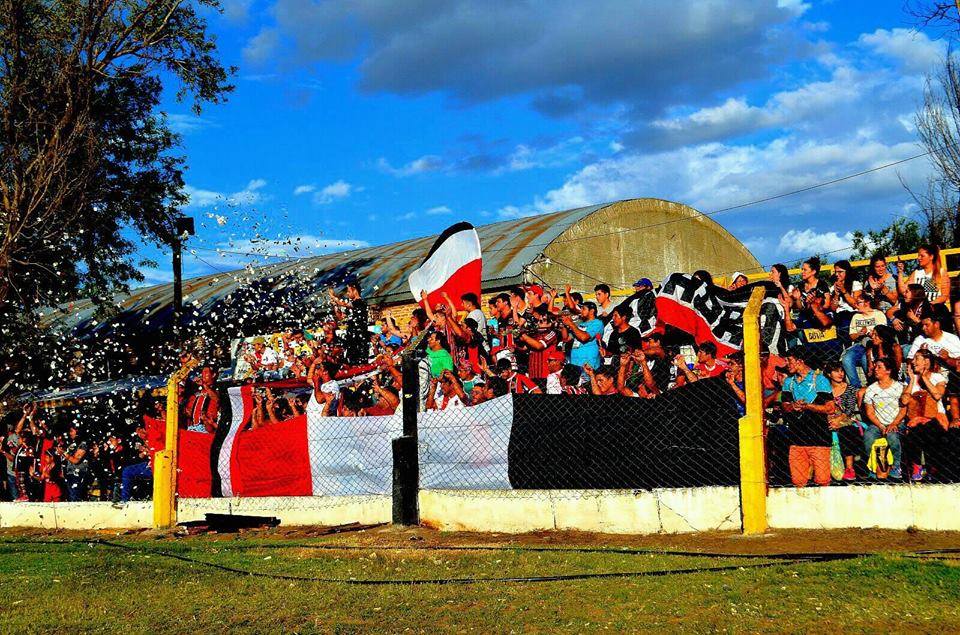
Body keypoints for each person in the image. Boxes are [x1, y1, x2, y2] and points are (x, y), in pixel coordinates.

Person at [780, 347, 836, 488]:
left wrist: (808, 406)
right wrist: (793, 406)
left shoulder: (819, 380)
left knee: (822, 480)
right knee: (798, 482)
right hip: (796, 438)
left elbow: (830, 408)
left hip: (818, 438)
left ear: (800, 361)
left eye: (789, 360)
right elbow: (784, 406)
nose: (786, 363)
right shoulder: (789, 382)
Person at [901, 349, 949, 482]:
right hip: (915, 418)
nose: (913, 361)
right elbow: (904, 400)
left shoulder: (937, 377)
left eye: (917, 358)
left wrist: (923, 378)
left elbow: (937, 395)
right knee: (914, 431)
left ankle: (933, 468)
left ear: (926, 361)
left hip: (935, 417)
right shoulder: (909, 379)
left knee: (929, 430)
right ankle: (917, 467)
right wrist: (911, 381)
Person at [862, 357, 906, 480]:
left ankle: (896, 467)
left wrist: (894, 424)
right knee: (868, 437)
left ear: (888, 371)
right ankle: (873, 468)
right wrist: (881, 426)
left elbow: (903, 409)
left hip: (897, 422)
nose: (875, 369)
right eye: (875, 366)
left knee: (892, 436)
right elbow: (870, 412)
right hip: (878, 423)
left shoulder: (899, 387)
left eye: (879, 367)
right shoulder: (871, 389)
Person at [823, 361, 863, 482]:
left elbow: (849, 410)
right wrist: (830, 420)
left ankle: (849, 468)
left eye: (841, 371)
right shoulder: (824, 388)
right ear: (829, 374)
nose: (840, 374)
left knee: (848, 431)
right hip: (827, 419)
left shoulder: (849, 388)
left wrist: (837, 420)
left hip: (844, 419)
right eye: (836, 371)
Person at [841, 294, 887, 388]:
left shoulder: (878, 314)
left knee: (865, 359)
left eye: (858, 303)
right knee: (846, 359)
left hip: (874, 344)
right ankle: (856, 387)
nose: (856, 305)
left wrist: (869, 333)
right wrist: (859, 333)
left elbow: (883, 334)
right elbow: (852, 336)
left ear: (867, 303)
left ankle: (872, 385)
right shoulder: (856, 317)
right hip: (860, 344)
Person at [329, 281, 369, 364]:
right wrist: (335, 306)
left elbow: (343, 303)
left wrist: (333, 297)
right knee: (350, 355)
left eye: (349, 291)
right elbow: (341, 317)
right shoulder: (351, 306)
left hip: (360, 335)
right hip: (351, 334)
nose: (347, 294)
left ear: (355, 291)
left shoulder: (360, 302)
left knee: (360, 355)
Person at [560, 301, 603, 373]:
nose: (581, 311)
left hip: (588, 363)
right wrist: (564, 324)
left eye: (584, 309)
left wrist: (571, 324)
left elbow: (584, 337)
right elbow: (566, 339)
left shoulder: (597, 323)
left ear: (592, 311)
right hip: (576, 363)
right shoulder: (581, 324)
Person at [183, 366, 220, 433]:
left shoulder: (217, 390)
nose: (203, 375)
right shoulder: (196, 393)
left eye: (205, 372)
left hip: (207, 430)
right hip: (192, 428)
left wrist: (204, 384)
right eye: (202, 372)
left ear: (213, 375)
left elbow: (216, 399)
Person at [59, 424, 91, 501]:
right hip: (69, 473)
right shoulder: (72, 444)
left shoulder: (83, 444)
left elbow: (75, 460)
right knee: (70, 497)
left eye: (71, 431)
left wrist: (64, 453)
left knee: (75, 497)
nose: (70, 433)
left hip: (78, 475)